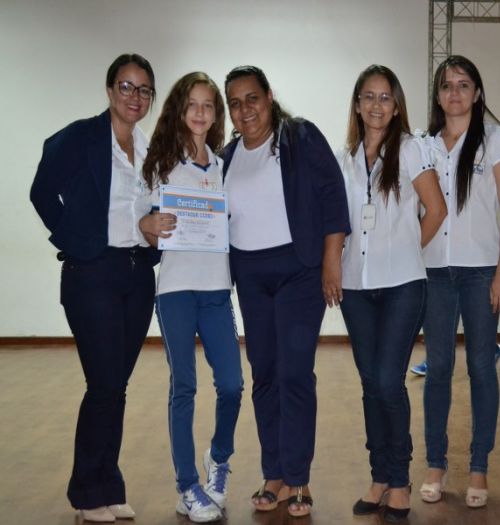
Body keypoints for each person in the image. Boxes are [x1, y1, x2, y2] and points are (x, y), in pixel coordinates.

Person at [30, 54, 157, 523]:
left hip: (136, 274)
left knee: (116, 386)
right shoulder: (81, 136)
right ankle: (87, 493)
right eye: (126, 86)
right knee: (103, 384)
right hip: (93, 274)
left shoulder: (148, 146)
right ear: (109, 90)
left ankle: (108, 485)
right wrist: (77, 240)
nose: (134, 97)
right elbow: (42, 192)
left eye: (144, 90)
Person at [221, 65, 350, 518]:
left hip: (299, 272)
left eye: (252, 98)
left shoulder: (299, 137)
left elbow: (334, 196)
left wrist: (331, 261)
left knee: (294, 373)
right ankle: (273, 473)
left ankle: (298, 477)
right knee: (265, 373)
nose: (245, 109)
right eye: (235, 103)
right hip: (250, 276)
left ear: (269, 97)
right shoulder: (226, 157)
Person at [338, 64, 447, 522]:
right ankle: (379, 476)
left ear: (397, 105)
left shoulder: (410, 148)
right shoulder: (345, 157)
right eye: (368, 96)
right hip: (355, 287)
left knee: (387, 381)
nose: (377, 105)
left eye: (385, 97)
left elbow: (436, 209)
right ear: (357, 104)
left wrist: (406, 249)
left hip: (403, 284)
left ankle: (400, 478)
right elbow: (339, 223)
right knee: (370, 385)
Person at [139, 72, 243, 523]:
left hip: (217, 290)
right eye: (193, 105)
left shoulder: (223, 166)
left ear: (216, 114)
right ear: (180, 110)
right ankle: (187, 486)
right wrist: (148, 226)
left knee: (233, 385)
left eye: (208, 105)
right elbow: (145, 226)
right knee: (184, 386)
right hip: (176, 291)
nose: (200, 113)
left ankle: (218, 457)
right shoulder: (160, 164)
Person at [419, 55, 500, 508]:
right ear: (438, 96)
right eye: (446, 86)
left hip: (480, 274)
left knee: (481, 367)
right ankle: (435, 464)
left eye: (463, 85)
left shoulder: (494, 139)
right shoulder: (423, 145)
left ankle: (479, 466)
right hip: (435, 274)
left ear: (477, 93)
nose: (454, 93)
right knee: (437, 369)